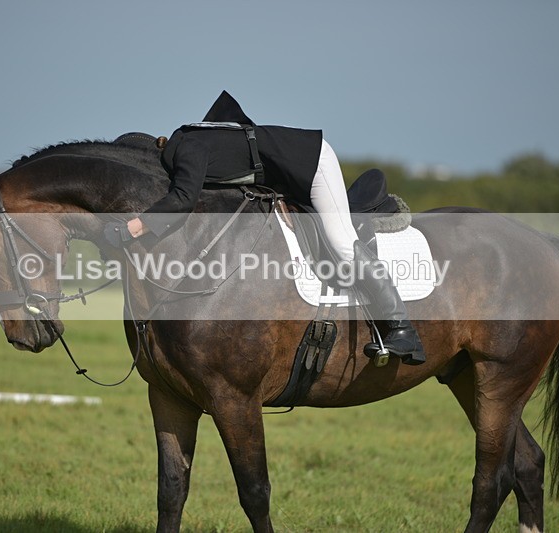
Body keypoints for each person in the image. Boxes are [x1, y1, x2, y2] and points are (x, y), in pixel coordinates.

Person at [105, 91, 425, 365]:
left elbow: (182, 200)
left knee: (341, 242)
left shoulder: (185, 148)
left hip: (312, 163)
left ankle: (402, 328)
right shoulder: (188, 143)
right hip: (288, 169)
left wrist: (131, 229)